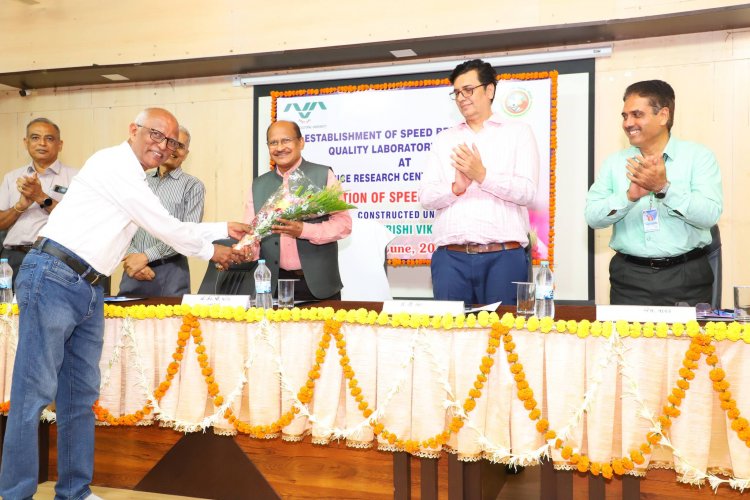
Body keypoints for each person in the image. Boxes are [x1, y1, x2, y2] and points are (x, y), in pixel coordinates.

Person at [0, 108, 250, 500]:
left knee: (80, 397)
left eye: (169, 141)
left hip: (91, 285)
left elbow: (163, 222)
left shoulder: (136, 179)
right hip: (53, 276)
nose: (162, 145)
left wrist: (223, 229)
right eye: (155, 134)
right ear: (133, 130)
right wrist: (213, 248)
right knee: (32, 395)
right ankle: (16, 495)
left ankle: (74, 492)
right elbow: (163, 226)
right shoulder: (112, 162)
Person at [584, 80, 723, 306]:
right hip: (629, 279)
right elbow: (593, 217)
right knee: (626, 342)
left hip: (686, 276)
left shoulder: (698, 157)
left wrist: (663, 188)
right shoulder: (614, 163)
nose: (628, 123)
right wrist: (628, 197)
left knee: (689, 342)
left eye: (637, 114)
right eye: (624, 116)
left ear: (663, 115)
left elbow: (710, 215)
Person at [418, 59, 539, 305]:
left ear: (490, 90)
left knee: (505, 337)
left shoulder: (518, 132)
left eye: (469, 90)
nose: (462, 97)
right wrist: (456, 189)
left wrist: (482, 175)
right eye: (457, 93)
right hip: (451, 259)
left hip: (504, 257)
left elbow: (527, 192)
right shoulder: (444, 140)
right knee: (451, 338)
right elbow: (426, 197)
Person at [243, 120, 351, 301]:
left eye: (286, 140)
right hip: (272, 285)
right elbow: (251, 232)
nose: (279, 147)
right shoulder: (258, 185)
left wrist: (304, 230)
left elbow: (343, 225)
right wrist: (245, 249)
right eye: (273, 143)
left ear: (301, 142)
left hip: (318, 285)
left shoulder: (323, 175)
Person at [119, 125, 205, 296]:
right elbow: (123, 222)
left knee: (172, 323)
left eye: (180, 146)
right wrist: (134, 257)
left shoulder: (193, 186)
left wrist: (145, 257)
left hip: (171, 272)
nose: (174, 149)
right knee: (125, 322)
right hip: (133, 269)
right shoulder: (140, 179)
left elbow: (188, 233)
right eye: (171, 143)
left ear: (186, 154)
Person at [0, 117, 77, 287]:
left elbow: (76, 220)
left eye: (49, 138)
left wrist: (40, 197)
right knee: (10, 311)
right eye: (35, 138)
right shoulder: (11, 177)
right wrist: (19, 206)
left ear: (60, 144)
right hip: (14, 258)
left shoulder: (76, 177)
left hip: (56, 258)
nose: (42, 143)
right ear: (26, 142)